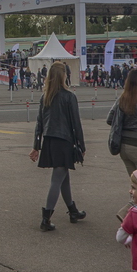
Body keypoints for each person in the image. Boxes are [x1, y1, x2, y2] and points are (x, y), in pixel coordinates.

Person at [29, 61, 86, 230]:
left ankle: (72, 210)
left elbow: (39, 123)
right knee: (57, 179)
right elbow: (76, 123)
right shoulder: (69, 97)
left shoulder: (45, 97)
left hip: (50, 141)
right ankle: (46, 218)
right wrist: (81, 145)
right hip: (64, 141)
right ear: (63, 76)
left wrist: (36, 146)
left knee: (63, 177)